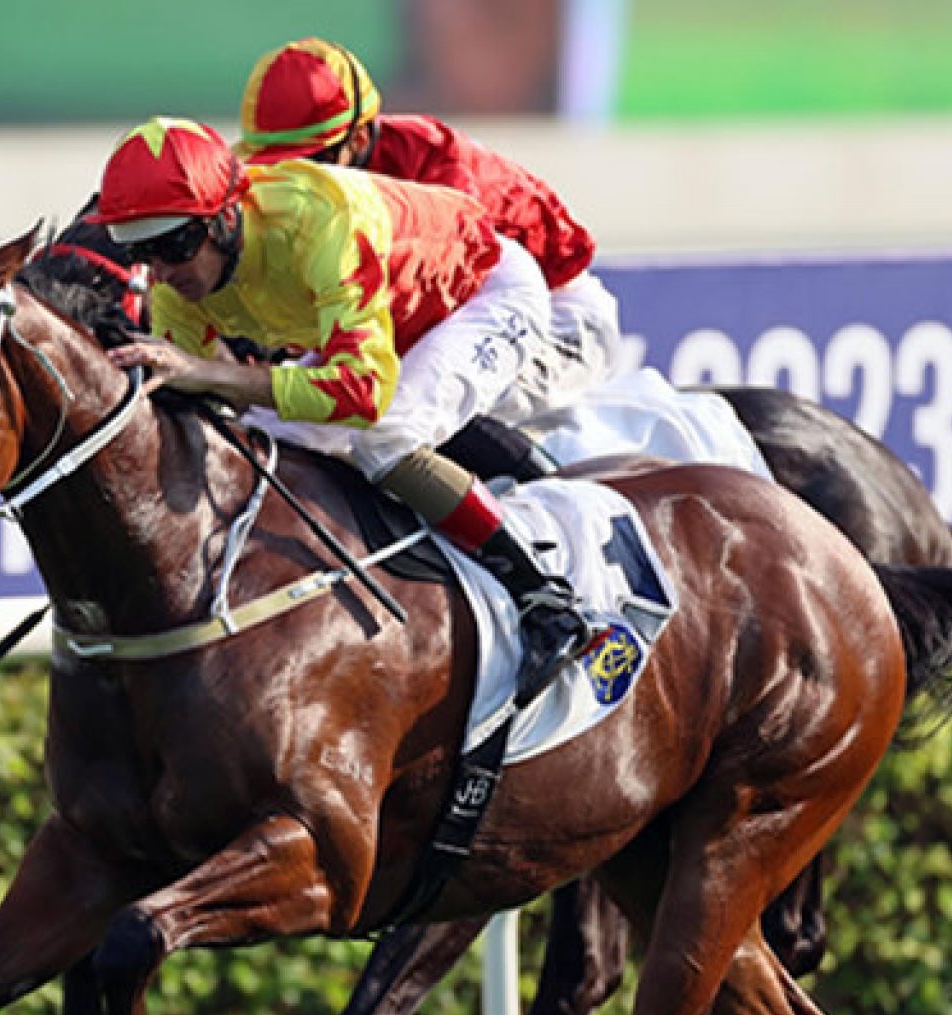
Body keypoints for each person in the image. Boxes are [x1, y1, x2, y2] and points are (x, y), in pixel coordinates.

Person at [89, 117, 607, 707]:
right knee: (260, 442)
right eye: (141, 251)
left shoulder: (317, 222)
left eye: (175, 244)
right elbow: (204, 410)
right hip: (385, 321)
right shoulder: (175, 287)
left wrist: (213, 373)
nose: (161, 272)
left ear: (227, 216)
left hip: (481, 291)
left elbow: (361, 394)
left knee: (385, 437)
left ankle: (547, 601)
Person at [236, 37, 622, 426]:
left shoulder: (438, 170)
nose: (293, 181)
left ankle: (550, 486)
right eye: (277, 165)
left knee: (411, 415)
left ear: (358, 140)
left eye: (309, 163)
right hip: (451, 312)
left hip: (556, 319)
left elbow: (434, 306)